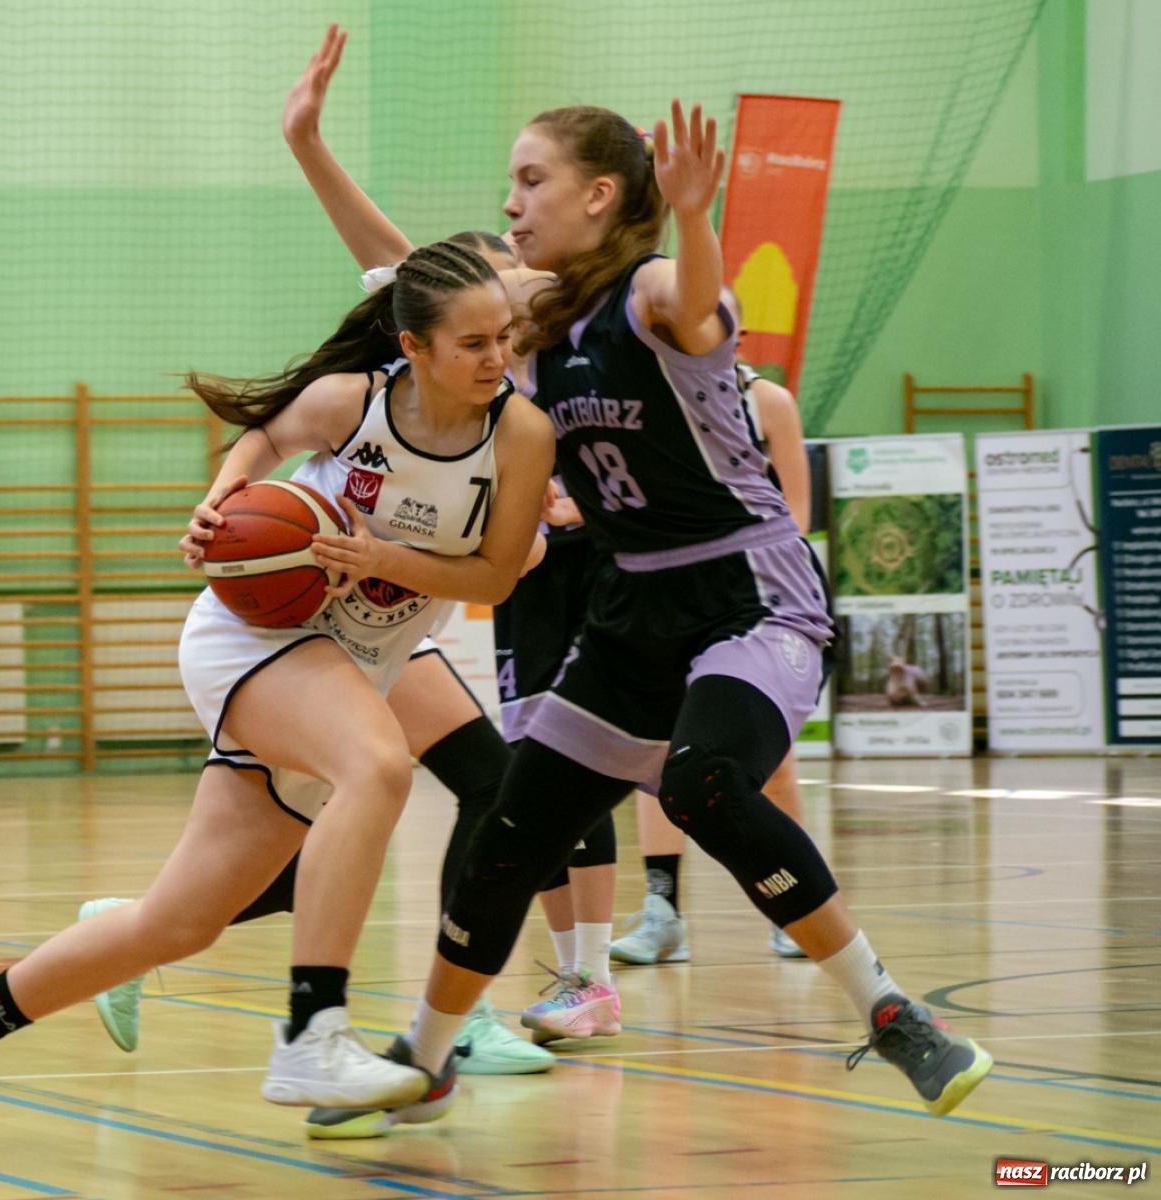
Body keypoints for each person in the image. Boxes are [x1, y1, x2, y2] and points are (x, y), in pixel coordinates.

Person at [281, 26, 994, 1136]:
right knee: (513, 828)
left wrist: (703, 218)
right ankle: (422, 1059)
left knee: (705, 782)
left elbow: (698, 305)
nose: (510, 202)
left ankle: (891, 1012)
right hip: (630, 609)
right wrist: (309, 147)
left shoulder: (650, 286)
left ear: (600, 195)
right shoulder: (528, 320)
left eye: (531, 180)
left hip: (747, 595)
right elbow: (407, 275)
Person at [0, 237, 555, 1152]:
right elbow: (264, 437)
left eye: (506, 339)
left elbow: (490, 580)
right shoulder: (350, 403)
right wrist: (221, 497)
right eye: (475, 344)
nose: (498, 360)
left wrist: (381, 559)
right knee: (378, 766)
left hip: (353, 668)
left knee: (177, 922)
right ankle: (312, 1033)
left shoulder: (520, 434)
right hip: (255, 639)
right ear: (414, 348)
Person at [281, 29, 625, 1059]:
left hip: (437, 595)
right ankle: (491, 1005)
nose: (509, 241)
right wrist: (307, 142)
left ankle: (550, 987)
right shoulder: (453, 340)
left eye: (529, 194)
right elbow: (381, 248)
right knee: (478, 786)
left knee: (522, 779)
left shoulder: (551, 329)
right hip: (381, 593)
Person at [611, 332, 814, 964]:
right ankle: (662, 912)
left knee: (772, 764)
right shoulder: (652, 399)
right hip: (668, 595)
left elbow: (797, 515)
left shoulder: (769, 401)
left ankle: (796, 911)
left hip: (759, 594)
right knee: (659, 755)